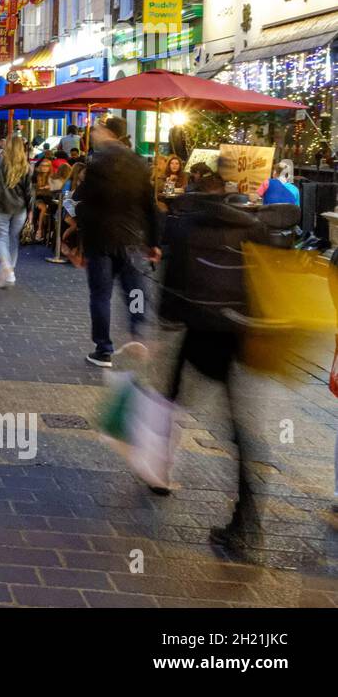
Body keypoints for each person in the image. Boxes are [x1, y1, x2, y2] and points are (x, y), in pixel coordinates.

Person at [158, 192, 270, 554]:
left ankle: (158, 467)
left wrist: (168, 317)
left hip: (200, 328)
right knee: (241, 427)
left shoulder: (189, 226)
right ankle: (248, 522)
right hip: (239, 335)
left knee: (171, 396)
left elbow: (173, 283)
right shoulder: (255, 228)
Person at [75, 116, 161, 368]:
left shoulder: (97, 162)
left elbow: (84, 205)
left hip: (101, 240)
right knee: (134, 288)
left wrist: (81, 243)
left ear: (109, 132)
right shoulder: (139, 163)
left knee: (101, 295)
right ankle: (138, 331)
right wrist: (154, 241)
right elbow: (150, 206)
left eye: (99, 129)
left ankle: (103, 349)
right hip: (132, 239)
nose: (95, 133)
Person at [0, 136, 34, 289]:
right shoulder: (26, 167)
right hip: (20, 208)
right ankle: (10, 272)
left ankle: (6, 266)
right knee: (13, 239)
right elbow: (29, 192)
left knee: (0, 238)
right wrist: (31, 210)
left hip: (1, 206)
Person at [31, 158, 56, 242]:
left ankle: (51, 232)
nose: (44, 168)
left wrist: (49, 187)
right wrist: (44, 188)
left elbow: (55, 189)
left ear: (50, 167)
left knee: (54, 207)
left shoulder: (52, 177)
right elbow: (34, 191)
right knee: (43, 208)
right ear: (40, 167)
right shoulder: (35, 176)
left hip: (49, 199)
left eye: (47, 166)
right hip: (37, 199)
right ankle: (39, 230)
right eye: (43, 166)